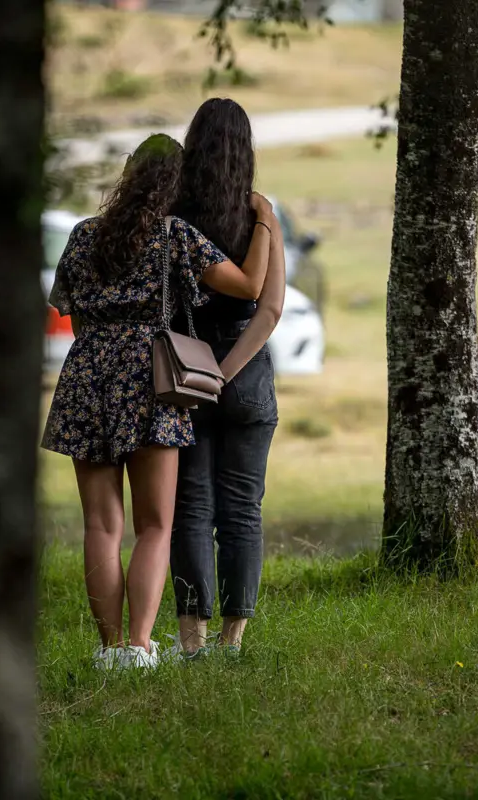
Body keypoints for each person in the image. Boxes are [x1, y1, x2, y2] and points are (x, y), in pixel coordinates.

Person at [41, 133, 274, 671]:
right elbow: (249, 286)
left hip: (86, 375)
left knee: (101, 526)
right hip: (149, 378)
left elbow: (68, 307)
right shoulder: (174, 236)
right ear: (176, 184)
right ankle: (141, 647)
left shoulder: (83, 234)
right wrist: (263, 218)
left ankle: (108, 649)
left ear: (128, 174)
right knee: (154, 525)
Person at [168, 98, 286, 659]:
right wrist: (228, 373)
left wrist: (203, 376)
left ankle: (191, 641)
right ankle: (232, 641)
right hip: (247, 377)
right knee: (242, 507)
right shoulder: (260, 217)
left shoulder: (174, 217)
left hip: (181, 372)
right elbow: (270, 309)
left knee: (190, 505)